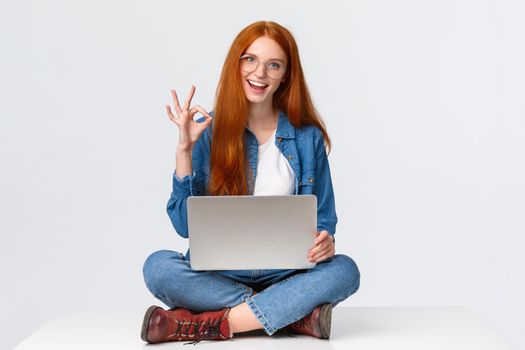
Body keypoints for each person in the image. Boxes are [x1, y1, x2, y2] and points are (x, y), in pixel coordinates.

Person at [141, 20, 360, 344]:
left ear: (286, 74)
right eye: (251, 59)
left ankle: (216, 323)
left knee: (345, 270)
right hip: (219, 274)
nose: (260, 73)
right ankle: (291, 315)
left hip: (288, 274)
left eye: (274, 65)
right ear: (236, 63)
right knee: (157, 267)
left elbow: (323, 220)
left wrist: (326, 243)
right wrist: (185, 149)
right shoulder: (209, 133)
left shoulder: (306, 137)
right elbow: (185, 227)